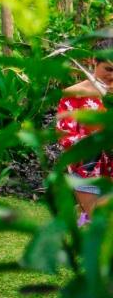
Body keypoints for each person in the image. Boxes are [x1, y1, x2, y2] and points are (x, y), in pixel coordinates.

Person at [56, 36, 113, 217]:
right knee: (98, 220)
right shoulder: (75, 93)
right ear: (93, 61)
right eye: (108, 69)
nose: (112, 76)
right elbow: (64, 135)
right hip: (88, 168)